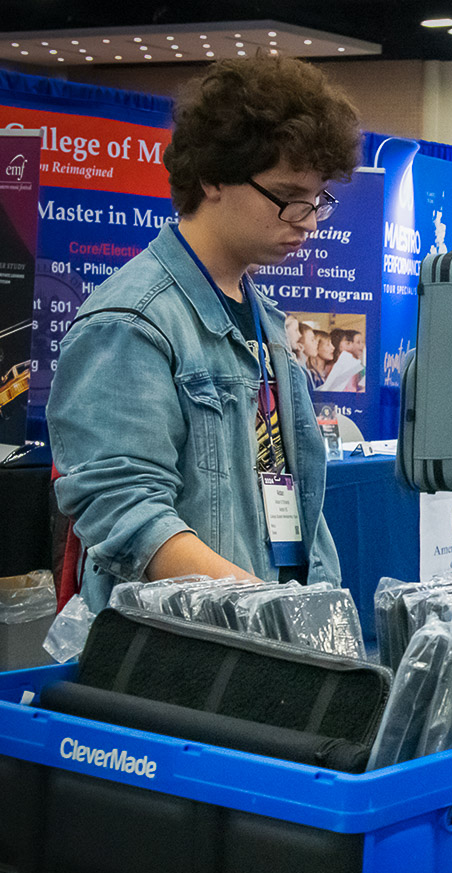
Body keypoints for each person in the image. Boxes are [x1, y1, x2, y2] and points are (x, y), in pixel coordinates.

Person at [46, 55, 358, 612]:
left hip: (270, 624)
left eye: (317, 201)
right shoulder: (131, 321)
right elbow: (125, 512)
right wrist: (261, 606)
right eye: (288, 197)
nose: (308, 221)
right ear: (213, 177)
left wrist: (305, 609)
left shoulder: (264, 319)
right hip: (186, 650)